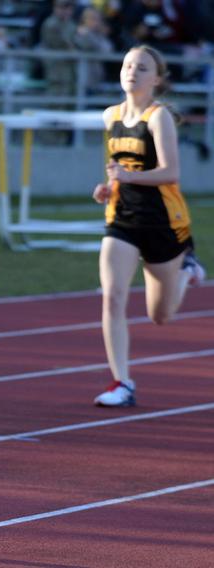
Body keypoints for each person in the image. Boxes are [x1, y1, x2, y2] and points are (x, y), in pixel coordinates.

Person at [91, 45, 206, 408]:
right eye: (127, 65)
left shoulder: (159, 118)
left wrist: (128, 176)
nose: (132, 72)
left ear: (156, 79)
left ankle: (186, 269)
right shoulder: (110, 116)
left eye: (142, 68)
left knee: (161, 316)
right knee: (112, 297)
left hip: (163, 224)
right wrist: (108, 187)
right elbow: (116, 166)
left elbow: (172, 173)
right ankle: (121, 382)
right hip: (122, 220)